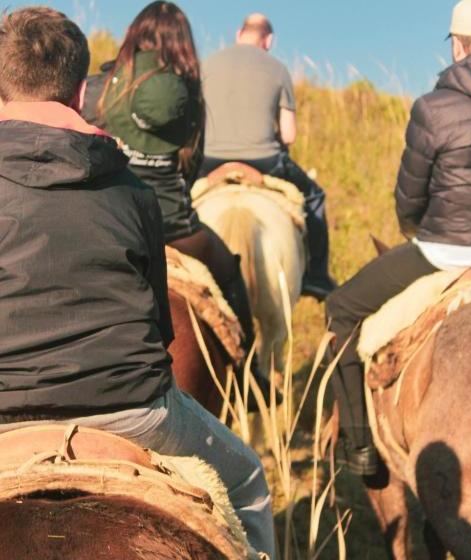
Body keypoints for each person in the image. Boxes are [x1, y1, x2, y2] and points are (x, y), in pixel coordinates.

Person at [0, 7, 274, 556]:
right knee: (247, 481)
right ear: (82, 92)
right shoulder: (133, 191)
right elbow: (159, 328)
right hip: (132, 410)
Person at [326, 0, 471, 476]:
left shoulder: (433, 107)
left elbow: (409, 200)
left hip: (447, 251)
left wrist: (414, 229)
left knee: (341, 308)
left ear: (459, 46)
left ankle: (360, 447)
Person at [83, 1, 273, 402]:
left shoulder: (99, 87)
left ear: (136, 35)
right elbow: (191, 166)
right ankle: (250, 374)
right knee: (228, 270)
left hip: (109, 217)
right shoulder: (190, 97)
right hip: (172, 226)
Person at [200, 13, 337, 301]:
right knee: (315, 197)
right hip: (264, 162)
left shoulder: (208, 64)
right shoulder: (278, 69)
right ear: (268, 40)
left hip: (209, 159)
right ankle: (316, 277)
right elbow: (289, 134)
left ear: (239, 34)